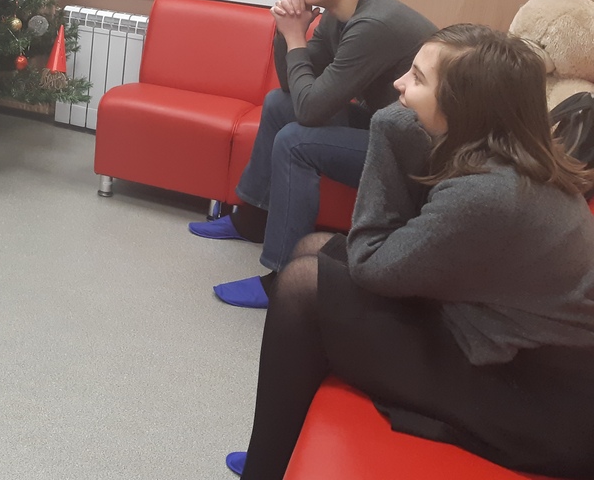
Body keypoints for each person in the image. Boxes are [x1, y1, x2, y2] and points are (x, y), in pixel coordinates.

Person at [228, 25, 594, 479]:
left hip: (532, 399)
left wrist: (386, 130)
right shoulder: (510, 159)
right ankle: (276, 451)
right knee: (312, 248)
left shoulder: (489, 193)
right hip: (500, 339)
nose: (399, 84)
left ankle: (264, 468)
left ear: (464, 106)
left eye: (417, 78)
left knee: (304, 286)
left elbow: (370, 263)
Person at [189, 0, 435, 308]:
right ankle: (252, 219)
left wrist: (295, 37)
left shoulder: (373, 25)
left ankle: (282, 279)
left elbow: (311, 109)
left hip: (410, 153)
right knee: (277, 104)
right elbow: (293, 88)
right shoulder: (340, 15)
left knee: (295, 142)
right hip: (383, 126)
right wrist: (288, 32)